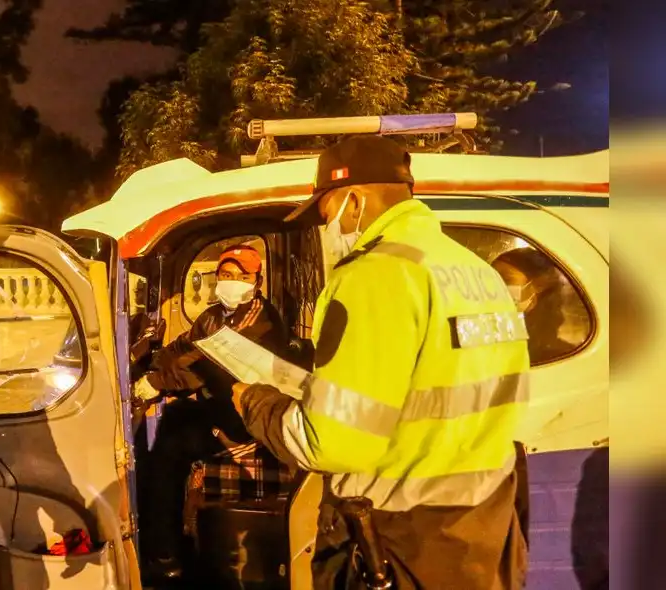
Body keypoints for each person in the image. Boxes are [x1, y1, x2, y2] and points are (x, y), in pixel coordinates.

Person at [231, 136, 531, 589]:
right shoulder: (471, 268)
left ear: (356, 200)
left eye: (327, 212)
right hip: (481, 529)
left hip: (399, 540)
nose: (326, 226)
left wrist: (257, 403)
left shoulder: (375, 274)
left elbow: (331, 444)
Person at [133, 245, 290, 582]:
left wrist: (159, 383)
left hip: (245, 419)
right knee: (171, 422)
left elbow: (210, 364)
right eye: (226, 275)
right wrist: (150, 366)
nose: (232, 282)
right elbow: (186, 346)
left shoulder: (258, 321)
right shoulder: (215, 314)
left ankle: (165, 557)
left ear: (256, 281)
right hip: (218, 404)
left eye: (241, 276)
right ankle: (160, 533)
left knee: (171, 448)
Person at [493, 247, 577, 363]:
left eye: (506, 279)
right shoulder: (490, 338)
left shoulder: (561, 356)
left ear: (538, 287)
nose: (493, 288)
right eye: (490, 279)